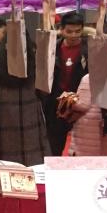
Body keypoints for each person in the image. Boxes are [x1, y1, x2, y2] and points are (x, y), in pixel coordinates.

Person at [0, 38, 49, 166]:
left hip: (0, 119)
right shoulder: (34, 63)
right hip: (30, 119)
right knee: (32, 163)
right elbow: (43, 91)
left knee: (1, 164)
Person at [42, 10, 87, 157]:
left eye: (77, 31)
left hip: (81, 104)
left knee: (82, 149)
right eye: (69, 31)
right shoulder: (52, 48)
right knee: (54, 147)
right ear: (61, 30)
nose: (73, 35)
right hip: (56, 104)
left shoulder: (89, 50)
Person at [64, 75, 107, 157]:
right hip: (102, 125)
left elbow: (83, 105)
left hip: (86, 125)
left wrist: (69, 100)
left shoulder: (88, 78)